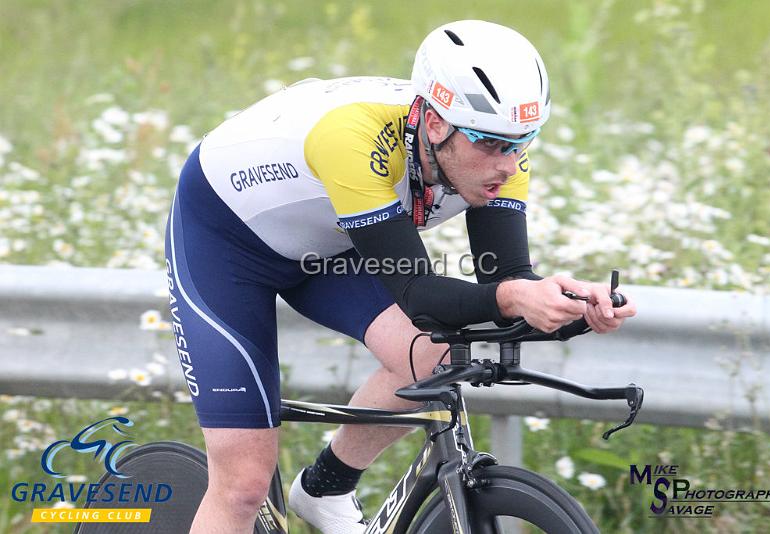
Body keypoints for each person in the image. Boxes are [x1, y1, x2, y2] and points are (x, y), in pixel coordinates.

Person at [164, 19, 636, 534]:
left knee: (430, 354)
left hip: (330, 243)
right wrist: (515, 296)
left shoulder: (496, 154)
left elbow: (506, 281)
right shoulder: (351, 138)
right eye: (493, 144)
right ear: (435, 125)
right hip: (226, 245)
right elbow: (420, 295)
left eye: (524, 142)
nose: (510, 162)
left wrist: (575, 309)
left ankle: (325, 489)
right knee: (243, 485)